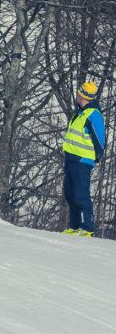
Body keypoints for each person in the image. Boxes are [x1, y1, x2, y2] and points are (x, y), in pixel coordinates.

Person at [62, 81, 105, 237]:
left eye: (79, 92)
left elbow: (100, 140)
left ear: (83, 95)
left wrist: (96, 158)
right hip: (71, 159)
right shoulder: (79, 113)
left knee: (81, 195)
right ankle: (74, 226)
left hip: (82, 161)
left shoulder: (93, 115)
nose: (77, 94)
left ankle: (86, 228)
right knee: (70, 194)